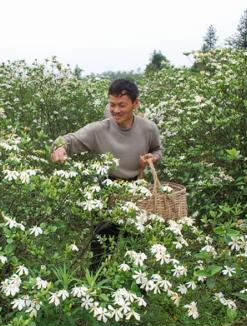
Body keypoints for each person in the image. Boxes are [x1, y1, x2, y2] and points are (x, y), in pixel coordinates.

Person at [50, 79, 163, 271]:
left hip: (137, 191)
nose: (116, 110)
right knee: (101, 248)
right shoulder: (99, 129)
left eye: (122, 105)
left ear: (136, 104)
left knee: (137, 249)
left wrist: (152, 158)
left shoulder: (148, 128)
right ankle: (97, 288)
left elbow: (158, 150)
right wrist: (59, 148)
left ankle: (138, 292)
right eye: (112, 104)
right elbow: (67, 139)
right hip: (107, 190)